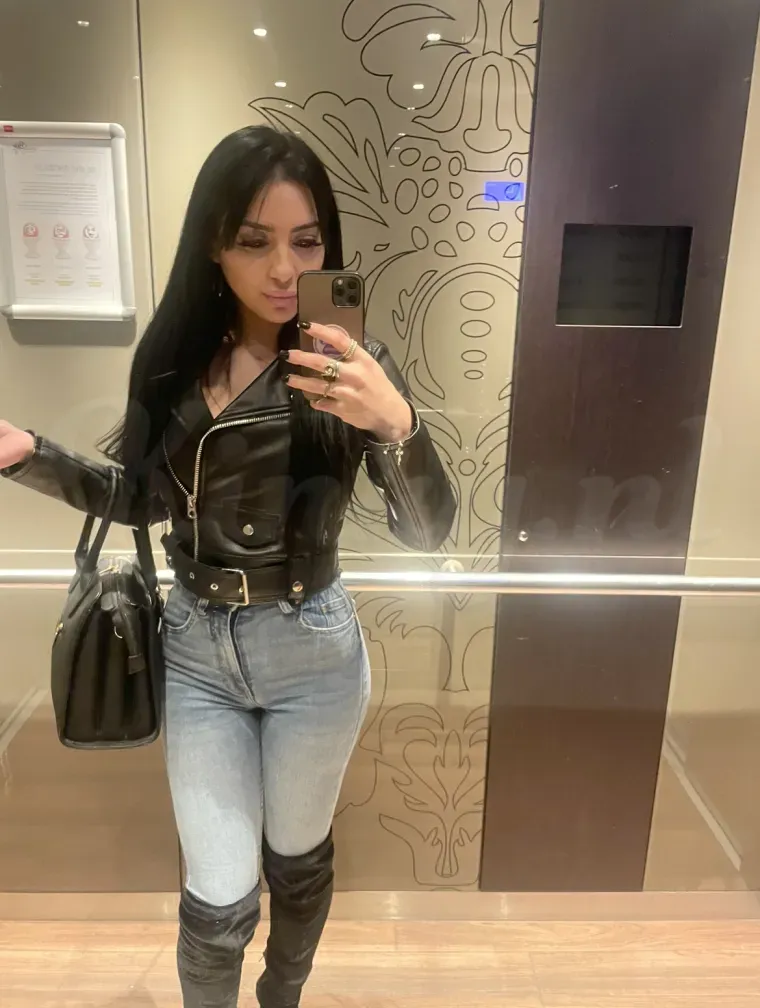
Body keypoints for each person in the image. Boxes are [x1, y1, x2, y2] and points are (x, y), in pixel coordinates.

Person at [0, 126, 454, 1007]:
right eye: (255, 241)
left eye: (306, 242)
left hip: (311, 651)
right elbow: (142, 498)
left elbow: (430, 533)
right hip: (196, 649)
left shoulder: (350, 369)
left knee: (296, 861)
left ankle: (281, 995)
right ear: (215, 242)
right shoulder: (173, 359)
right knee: (215, 898)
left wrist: (397, 425)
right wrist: (32, 456)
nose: (284, 269)